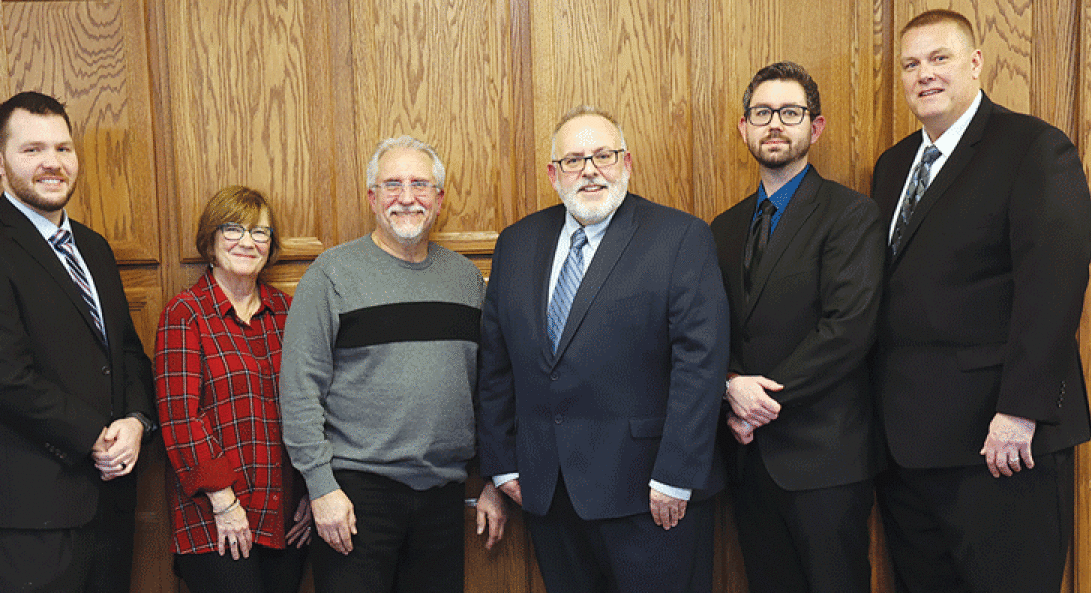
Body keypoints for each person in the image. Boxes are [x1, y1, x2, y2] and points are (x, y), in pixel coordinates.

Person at [871, 9, 1091, 592]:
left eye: (940, 58)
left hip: (1000, 445)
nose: (925, 74)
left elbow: (1054, 288)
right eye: (911, 64)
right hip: (910, 450)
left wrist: (1020, 413)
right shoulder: (893, 167)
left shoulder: (1034, 148)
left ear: (975, 63)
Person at [476, 106, 729, 593]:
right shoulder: (518, 242)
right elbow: (497, 362)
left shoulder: (679, 237)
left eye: (603, 155)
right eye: (573, 160)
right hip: (547, 491)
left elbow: (700, 362)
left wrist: (676, 475)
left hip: (650, 494)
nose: (590, 169)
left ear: (627, 162)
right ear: (554, 174)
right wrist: (503, 462)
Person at [0, 91, 156, 592]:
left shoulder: (95, 248)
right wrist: (95, 436)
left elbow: (125, 353)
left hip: (107, 507)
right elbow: (2, 377)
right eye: (32, 150)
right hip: (21, 517)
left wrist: (137, 422)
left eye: (63, 149)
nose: (52, 163)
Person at [280, 135, 507, 592]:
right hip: (356, 497)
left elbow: (491, 388)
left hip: (443, 496)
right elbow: (299, 389)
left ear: (440, 199)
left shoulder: (466, 280)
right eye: (392, 185)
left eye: (420, 184)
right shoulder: (331, 273)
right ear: (372, 197)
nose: (407, 197)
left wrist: (494, 481)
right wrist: (322, 488)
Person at [710, 61, 884, 593]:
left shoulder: (851, 215)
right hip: (748, 462)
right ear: (744, 128)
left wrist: (756, 403)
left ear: (817, 126)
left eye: (790, 112)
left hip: (825, 463)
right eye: (762, 113)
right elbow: (714, 331)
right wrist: (729, 390)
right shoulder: (724, 226)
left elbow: (848, 331)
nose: (775, 125)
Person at [155, 186, 314, 592]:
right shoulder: (185, 314)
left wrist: (313, 489)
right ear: (210, 240)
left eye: (260, 232)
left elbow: (312, 403)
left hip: (284, 513)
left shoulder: (288, 312)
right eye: (233, 229)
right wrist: (223, 501)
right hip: (215, 518)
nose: (247, 241)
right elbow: (180, 419)